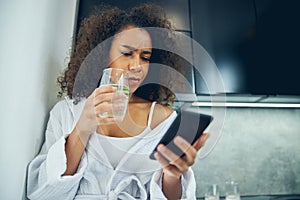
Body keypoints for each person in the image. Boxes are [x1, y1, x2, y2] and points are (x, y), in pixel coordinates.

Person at [27, 3, 208, 200]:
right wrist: (83, 127)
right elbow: (44, 193)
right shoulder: (67, 112)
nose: (137, 66)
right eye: (127, 53)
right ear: (103, 56)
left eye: (145, 57)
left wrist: (173, 176)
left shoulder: (164, 120)